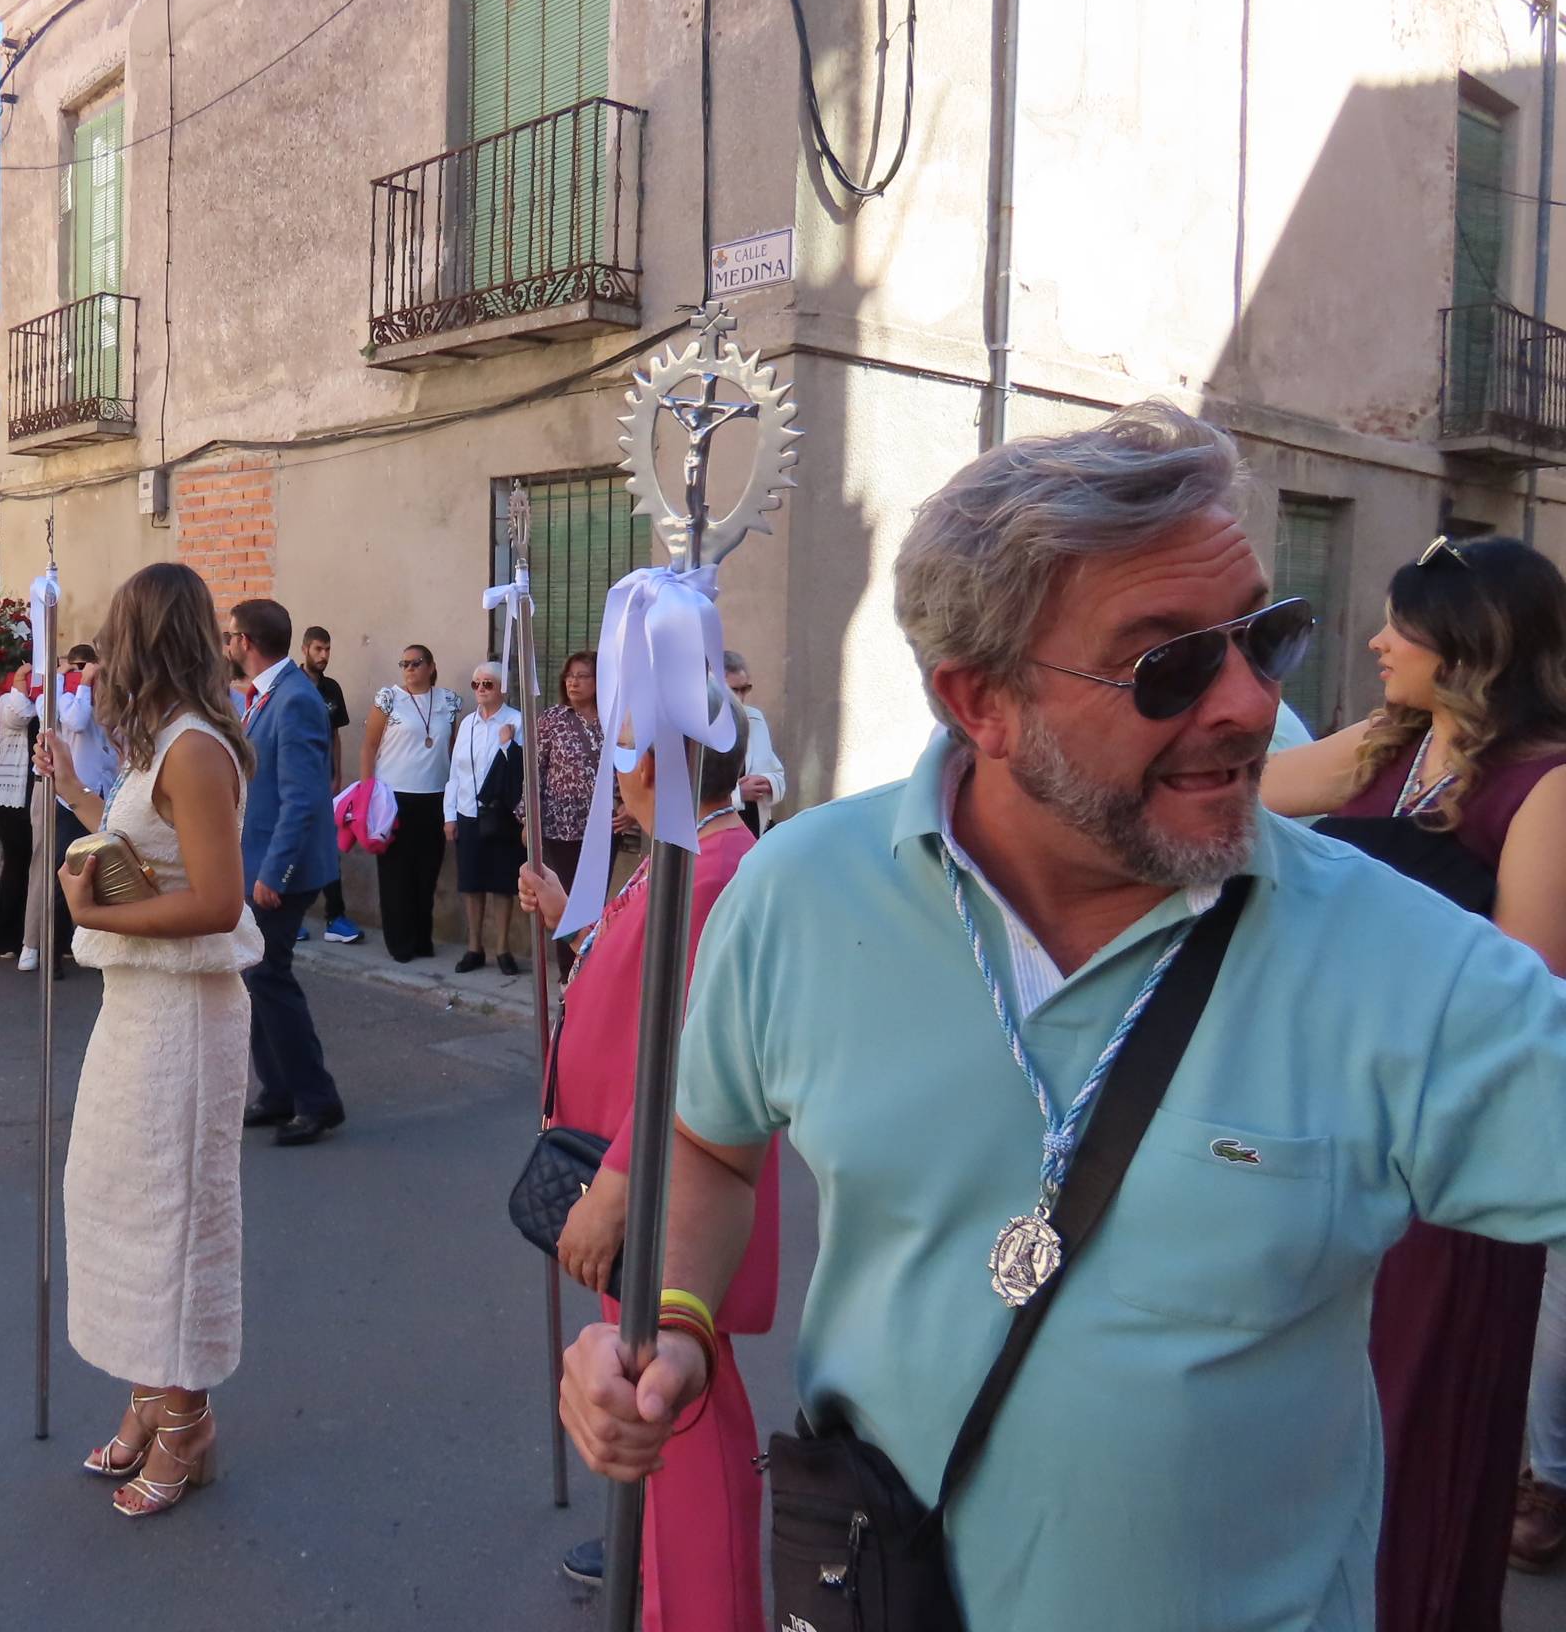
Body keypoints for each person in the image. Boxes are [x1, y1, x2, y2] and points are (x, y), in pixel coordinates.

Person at [557, 404, 1566, 1632]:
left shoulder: (1400, 962)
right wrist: (670, 1324)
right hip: (876, 1592)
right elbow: (709, 1147)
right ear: (978, 701)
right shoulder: (798, 893)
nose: (1248, 704)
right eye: (1169, 662)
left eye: (1266, 637)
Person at [1261, 533, 1566, 1624]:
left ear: (1467, 645)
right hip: (1327, 1134)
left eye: (1402, 625)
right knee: (1318, 1424)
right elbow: (1228, 789)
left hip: (1443, 1157)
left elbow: (1521, 991)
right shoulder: (1383, 746)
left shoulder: (1544, 788)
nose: (1377, 641)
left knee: (1420, 1423)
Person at [520, 696, 781, 1620]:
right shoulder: (683, 859)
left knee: (677, 1406)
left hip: (656, 1195)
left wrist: (618, 1188)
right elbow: (635, 976)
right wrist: (566, 920)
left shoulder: (714, 874)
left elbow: (688, 1052)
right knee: (648, 1413)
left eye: (623, 751)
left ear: (648, 771)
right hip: (623, 1176)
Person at [42, 561, 262, 1519]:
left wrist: (92, 918)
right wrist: (79, 805)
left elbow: (218, 902)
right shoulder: (159, 744)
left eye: (115, 632)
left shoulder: (195, 749)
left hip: (184, 1017)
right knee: (120, 1199)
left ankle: (189, 1423)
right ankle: (147, 1391)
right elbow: (149, 857)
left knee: (174, 1215)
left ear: (145, 638)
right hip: (137, 1011)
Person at [228, 598, 346, 1147]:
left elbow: (303, 797)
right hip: (261, 860)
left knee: (270, 978)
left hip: (284, 869)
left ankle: (315, 1099)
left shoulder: (295, 699)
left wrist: (274, 872)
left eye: (231, 636)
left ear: (247, 642)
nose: (227, 645)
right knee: (257, 979)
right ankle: (278, 1089)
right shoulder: (267, 696)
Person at [358, 643, 460, 962]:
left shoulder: (448, 701)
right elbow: (369, 747)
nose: (410, 669)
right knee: (396, 874)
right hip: (393, 798)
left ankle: (421, 939)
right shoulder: (389, 699)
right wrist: (367, 792)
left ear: (431, 666)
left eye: (416, 663)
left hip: (434, 797)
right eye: (404, 664)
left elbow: (454, 753)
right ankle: (399, 943)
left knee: (427, 872)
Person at [445, 659, 525, 975]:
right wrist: (449, 816)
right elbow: (456, 773)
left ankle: (503, 947)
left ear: (501, 688)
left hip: (502, 816)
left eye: (487, 684)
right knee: (471, 883)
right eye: (476, 684)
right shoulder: (467, 724)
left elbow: (521, 774)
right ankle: (474, 947)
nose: (480, 689)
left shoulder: (517, 722)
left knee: (503, 884)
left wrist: (509, 745)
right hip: (468, 812)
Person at [537, 650, 608, 982]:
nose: (573, 681)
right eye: (570, 675)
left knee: (596, 902)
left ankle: (592, 968)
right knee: (567, 902)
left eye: (582, 675)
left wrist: (624, 807)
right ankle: (569, 976)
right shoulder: (552, 719)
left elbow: (628, 766)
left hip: (605, 827)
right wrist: (528, 819)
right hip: (561, 827)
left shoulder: (614, 717)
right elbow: (534, 770)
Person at [48, 643, 118, 974]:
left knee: (102, 873)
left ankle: (92, 944)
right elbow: (75, 722)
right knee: (67, 872)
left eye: (87, 666)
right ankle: (54, 949)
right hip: (71, 800)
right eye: (76, 667)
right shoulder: (65, 697)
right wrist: (83, 685)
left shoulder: (108, 697)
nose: (83, 672)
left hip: (103, 795)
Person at [299, 626, 362, 944]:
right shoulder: (291, 687)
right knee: (294, 848)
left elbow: (335, 735)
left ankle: (335, 918)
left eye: (327, 650)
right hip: (295, 787)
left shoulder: (332, 689)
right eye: (318, 649)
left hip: (324, 787)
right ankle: (292, 918)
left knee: (329, 850)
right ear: (305, 649)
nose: (323, 655)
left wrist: (337, 776)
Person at [0, 667, 39, 961]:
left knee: (46, 868)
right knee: (16, 866)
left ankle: (43, 935)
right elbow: (19, 715)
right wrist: (22, 682)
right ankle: (7, 937)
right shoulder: (9, 701)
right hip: (13, 796)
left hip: (42, 792)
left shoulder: (50, 701)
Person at [720, 651, 788, 836]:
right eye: (734, 690)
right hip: (718, 834)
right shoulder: (699, 729)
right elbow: (692, 796)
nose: (741, 698)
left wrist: (768, 782)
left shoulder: (754, 719)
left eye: (745, 689)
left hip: (754, 830)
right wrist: (738, 794)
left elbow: (778, 775)